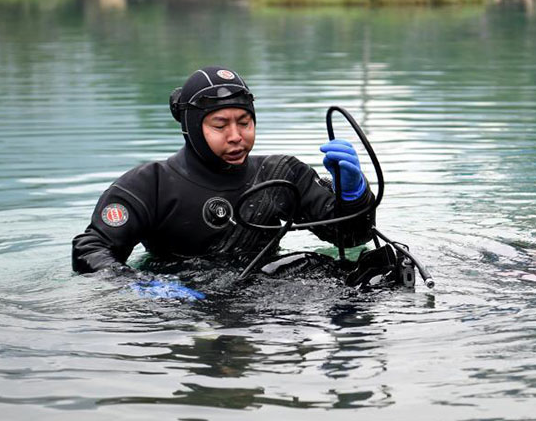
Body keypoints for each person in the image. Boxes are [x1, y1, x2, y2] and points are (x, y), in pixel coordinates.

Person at [72, 66, 375, 283]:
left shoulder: (282, 173)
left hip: (269, 297)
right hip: (185, 305)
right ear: (191, 127)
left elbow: (350, 237)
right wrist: (141, 287)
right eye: (220, 125)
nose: (236, 136)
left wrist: (354, 195)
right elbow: (90, 250)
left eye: (244, 122)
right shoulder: (150, 185)